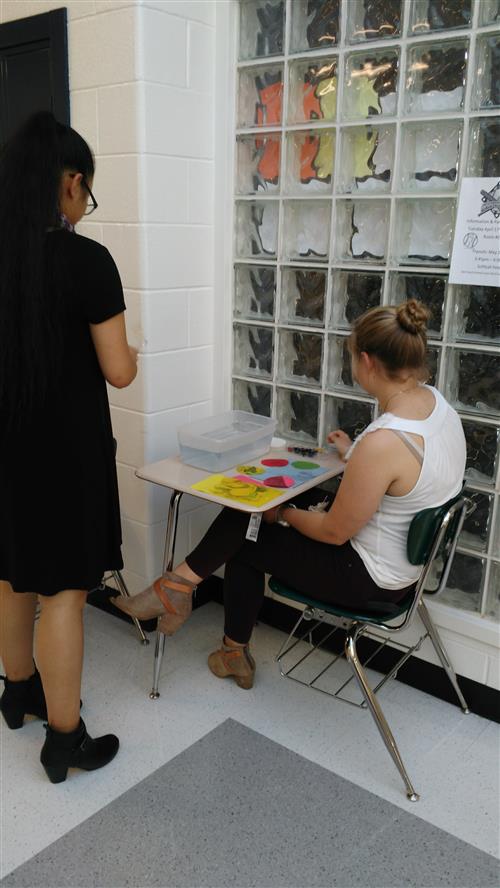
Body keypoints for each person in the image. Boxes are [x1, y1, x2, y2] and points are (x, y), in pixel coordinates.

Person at [114, 300, 466, 691]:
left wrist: (282, 515)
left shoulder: (383, 443)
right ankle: (184, 597)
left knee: (243, 532)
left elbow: (335, 532)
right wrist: (353, 456)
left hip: (368, 580)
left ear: (366, 361)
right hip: (405, 569)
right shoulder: (438, 407)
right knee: (250, 518)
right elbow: (405, 476)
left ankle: (189, 604)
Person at [0, 112, 138, 782]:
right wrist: (131, 351)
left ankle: (17, 690)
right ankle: (64, 737)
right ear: (70, 181)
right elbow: (118, 369)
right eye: (87, 190)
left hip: (3, 445)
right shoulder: (86, 259)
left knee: (9, 572)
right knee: (63, 593)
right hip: (64, 451)